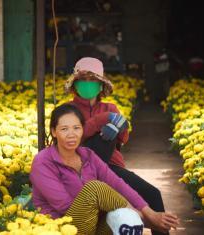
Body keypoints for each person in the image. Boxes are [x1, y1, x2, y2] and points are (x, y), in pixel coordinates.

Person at [30, 104, 179, 234]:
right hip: (63, 227)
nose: (71, 134)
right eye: (64, 129)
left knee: (125, 218)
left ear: (82, 130)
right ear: (54, 132)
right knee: (95, 188)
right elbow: (65, 207)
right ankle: (149, 220)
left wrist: (145, 211)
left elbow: (117, 183)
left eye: (76, 128)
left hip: (93, 226)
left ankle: (143, 218)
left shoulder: (87, 155)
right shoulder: (43, 162)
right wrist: (148, 219)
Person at [65, 57, 174, 235]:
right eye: (83, 81)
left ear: (101, 86)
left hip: (111, 167)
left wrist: (121, 126)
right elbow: (73, 138)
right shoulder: (68, 110)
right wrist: (101, 120)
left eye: (92, 81)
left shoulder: (110, 107)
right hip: (80, 166)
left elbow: (123, 139)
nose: (87, 85)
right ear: (75, 85)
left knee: (153, 194)